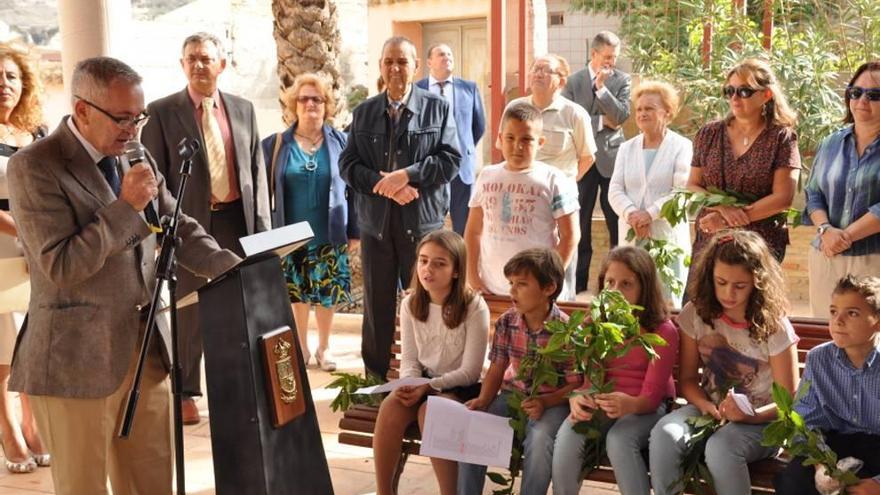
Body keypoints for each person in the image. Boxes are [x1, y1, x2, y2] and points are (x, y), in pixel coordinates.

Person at [7, 56, 239, 495]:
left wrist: (231, 269)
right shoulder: (34, 166)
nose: (133, 129)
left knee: (153, 484)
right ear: (82, 110)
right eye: (122, 118)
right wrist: (125, 208)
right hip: (74, 362)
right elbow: (61, 266)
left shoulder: (135, 152)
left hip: (146, 350)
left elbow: (175, 223)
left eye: (139, 117)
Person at [141, 32, 270, 424]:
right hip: (189, 223)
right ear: (183, 65)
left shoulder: (244, 109)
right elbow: (152, 177)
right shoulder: (162, 111)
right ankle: (185, 391)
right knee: (190, 312)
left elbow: (256, 172)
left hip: (237, 219)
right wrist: (160, 233)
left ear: (221, 65)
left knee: (240, 305)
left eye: (206, 59)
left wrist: (262, 229)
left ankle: (237, 386)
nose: (199, 65)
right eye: (192, 58)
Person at [339, 35, 461, 380]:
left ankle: (428, 379)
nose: (395, 68)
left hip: (422, 230)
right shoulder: (363, 112)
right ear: (380, 66)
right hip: (376, 227)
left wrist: (407, 176)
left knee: (426, 304)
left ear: (416, 67)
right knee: (376, 309)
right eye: (389, 61)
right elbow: (348, 164)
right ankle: (374, 380)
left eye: (402, 62)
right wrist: (386, 185)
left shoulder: (438, 108)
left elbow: (450, 160)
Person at [649, 230, 799, 495]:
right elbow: (686, 381)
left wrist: (749, 416)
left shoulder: (774, 326)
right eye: (721, 282)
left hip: (763, 421)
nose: (729, 293)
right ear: (710, 277)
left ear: (758, 282)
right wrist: (708, 406)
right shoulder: (695, 313)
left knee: (721, 448)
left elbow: (788, 401)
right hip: (711, 411)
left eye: (740, 286)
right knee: (664, 434)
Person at [552, 246, 678, 495]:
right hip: (604, 403)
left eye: (626, 284)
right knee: (568, 435)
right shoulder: (595, 322)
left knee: (620, 440)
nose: (615, 291)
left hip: (645, 408)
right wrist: (578, 397)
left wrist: (629, 405)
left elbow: (651, 399)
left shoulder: (663, 330)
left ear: (645, 288)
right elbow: (589, 379)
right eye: (609, 282)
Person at [372, 230, 489, 495]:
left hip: (462, 388)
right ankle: (384, 492)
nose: (428, 269)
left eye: (439, 263)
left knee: (433, 413)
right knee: (391, 406)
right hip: (424, 383)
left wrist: (429, 386)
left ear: (456, 271)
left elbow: (471, 372)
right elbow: (411, 360)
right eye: (423, 261)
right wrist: (409, 383)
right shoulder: (411, 302)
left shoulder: (474, 306)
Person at [458, 247, 580, 495]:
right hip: (512, 396)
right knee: (476, 428)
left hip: (553, 403)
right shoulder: (506, 322)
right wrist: (484, 400)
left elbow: (576, 385)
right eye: (511, 283)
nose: (512, 290)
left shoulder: (566, 332)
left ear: (549, 288)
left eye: (522, 284)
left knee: (540, 438)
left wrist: (545, 401)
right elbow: (497, 367)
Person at [260, 73, 356, 372]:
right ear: (294, 105)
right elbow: (261, 193)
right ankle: (301, 347)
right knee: (297, 293)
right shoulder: (275, 144)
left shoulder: (342, 142)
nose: (310, 104)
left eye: (317, 99)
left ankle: (325, 348)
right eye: (304, 99)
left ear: (326, 105)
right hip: (290, 233)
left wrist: (355, 230)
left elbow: (356, 190)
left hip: (331, 229)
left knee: (328, 294)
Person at [687, 58, 800, 266]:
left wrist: (728, 220)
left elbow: (783, 198)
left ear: (766, 95)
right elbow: (692, 185)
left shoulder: (781, 138)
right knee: (701, 299)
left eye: (745, 91)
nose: (735, 98)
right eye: (730, 91)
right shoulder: (708, 134)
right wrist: (722, 208)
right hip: (710, 241)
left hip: (759, 246)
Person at [774, 275, 880, 495]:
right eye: (833, 311)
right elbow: (805, 418)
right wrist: (820, 464)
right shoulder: (818, 358)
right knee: (793, 480)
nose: (838, 321)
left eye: (852, 313)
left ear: (877, 321)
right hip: (832, 445)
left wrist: (878, 484)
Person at [502, 54, 596, 300]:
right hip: (521, 204)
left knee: (560, 272)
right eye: (535, 69)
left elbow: (587, 157)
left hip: (559, 209)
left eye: (546, 70)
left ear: (561, 81)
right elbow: (503, 146)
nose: (538, 73)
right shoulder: (515, 109)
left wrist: (561, 187)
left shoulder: (574, 114)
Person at [465, 102, 580, 298]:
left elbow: (570, 236)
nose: (517, 146)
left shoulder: (554, 179)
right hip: (491, 289)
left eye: (527, 139)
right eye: (510, 138)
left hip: (537, 293)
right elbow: (474, 231)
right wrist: (473, 277)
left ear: (541, 142)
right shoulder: (486, 176)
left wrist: (548, 281)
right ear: (500, 139)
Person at [0, 44, 48, 473]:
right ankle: (9, 431)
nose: (4, 85)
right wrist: (27, 232)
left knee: (32, 342)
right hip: (2, 249)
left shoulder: (37, 133)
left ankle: (34, 426)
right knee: (1, 350)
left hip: (37, 249)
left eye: (11, 76)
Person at [803, 61, 880, 318]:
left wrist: (843, 237)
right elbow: (813, 192)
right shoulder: (831, 142)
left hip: (873, 259)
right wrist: (826, 231)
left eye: (874, 95)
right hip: (826, 255)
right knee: (826, 334)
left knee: (870, 342)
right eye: (855, 92)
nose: (862, 100)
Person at [608, 80, 692, 307]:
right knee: (627, 301)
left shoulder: (682, 146)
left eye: (649, 108)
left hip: (666, 237)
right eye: (639, 109)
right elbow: (615, 189)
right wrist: (633, 214)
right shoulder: (627, 148)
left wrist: (650, 214)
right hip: (632, 235)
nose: (642, 113)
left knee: (665, 303)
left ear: (667, 113)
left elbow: (682, 192)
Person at [563, 31, 632, 293]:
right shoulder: (573, 81)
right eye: (607, 56)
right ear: (593, 54)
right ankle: (578, 287)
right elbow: (570, 121)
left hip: (611, 160)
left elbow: (622, 116)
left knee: (615, 224)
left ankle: (613, 288)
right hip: (582, 160)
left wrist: (603, 90)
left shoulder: (622, 80)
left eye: (614, 57)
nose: (611, 62)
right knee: (580, 224)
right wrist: (602, 121)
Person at [415, 43, 486, 236]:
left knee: (463, 227)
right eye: (441, 54)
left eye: (449, 54)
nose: (447, 57)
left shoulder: (468, 88)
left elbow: (478, 126)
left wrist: (464, 147)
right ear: (429, 62)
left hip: (461, 168)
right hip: (429, 167)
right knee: (429, 225)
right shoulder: (416, 89)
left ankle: (462, 266)